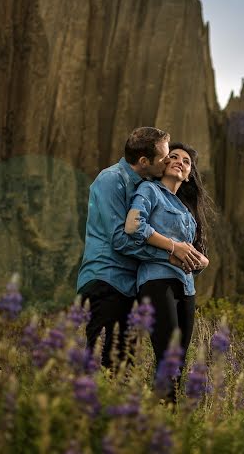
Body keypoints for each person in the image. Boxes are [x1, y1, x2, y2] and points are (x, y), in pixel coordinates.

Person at [77, 128, 202, 368]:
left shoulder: (143, 185)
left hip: (129, 285)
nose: (169, 161)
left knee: (122, 365)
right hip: (106, 278)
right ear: (145, 162)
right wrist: (171, 252)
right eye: (166, 157)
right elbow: (120, 239)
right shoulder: (111, 180)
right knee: (101, 361)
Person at [125, 141, 212, 396]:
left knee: (178, 362)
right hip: (156, 281)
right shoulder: (149, 190)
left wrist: (202, 262)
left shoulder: (187, 210)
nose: (179, 162)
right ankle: (161, 421)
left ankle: (165, 417)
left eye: (186, 162)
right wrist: (174, 247)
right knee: (168, 356)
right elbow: (133, 226)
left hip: (186, 287)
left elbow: (195, 252)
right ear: (163, 164)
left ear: (188, 176)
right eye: (173, 157)